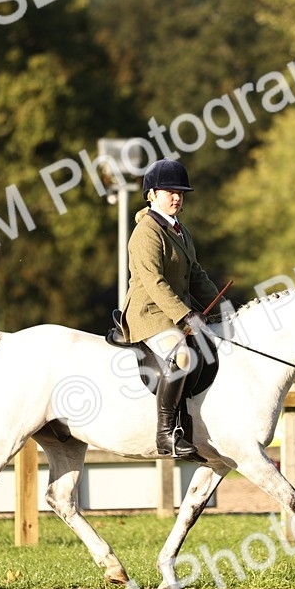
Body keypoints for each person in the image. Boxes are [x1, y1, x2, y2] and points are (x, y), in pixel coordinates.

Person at [120, 159, 220, 458]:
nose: (177, 197)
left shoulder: (180, 230)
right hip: (149, 313)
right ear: (151, 194)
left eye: (181, 192)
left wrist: (226, 309)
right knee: (182, 354)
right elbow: (154, 281)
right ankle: (165, 434)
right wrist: (186, 314)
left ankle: (191, 426)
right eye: (170, 192)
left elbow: (196, 275)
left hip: (173, 314)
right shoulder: (147, 232)